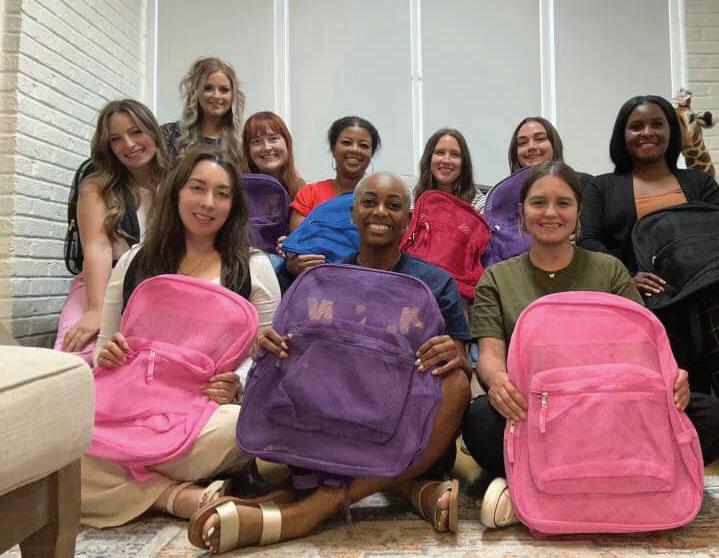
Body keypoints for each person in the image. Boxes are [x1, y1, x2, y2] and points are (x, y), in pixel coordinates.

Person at [188, 172, 472, 553]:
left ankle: (311, 508)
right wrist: (271, 344)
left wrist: (454, 355)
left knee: (456, 383)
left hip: (404, 423)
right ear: (353, 214)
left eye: (393, 205)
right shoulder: (322, 280)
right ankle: (408, 487)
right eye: (369, 202)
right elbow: (299, 351)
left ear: (407, 219)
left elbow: (459, 362)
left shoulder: (437, 283)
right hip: (339, 416)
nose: (380, 212)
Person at [461, 160, 718, 529]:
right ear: (522, 214)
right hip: (541, 413)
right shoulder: (497, 279)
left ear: (578, 213)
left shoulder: (609, 270)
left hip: (611, 409)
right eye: (538, 203)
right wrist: (498, 381)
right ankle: (552, 488)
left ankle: (542, 492)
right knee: (480, 419)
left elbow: (645, 346)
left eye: (563, 203)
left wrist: (673, 377)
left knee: (709, 414)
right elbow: (489, 355)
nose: (551, 213)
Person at [81, 149, 281, 528]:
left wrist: (239, 384)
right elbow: (106, 345)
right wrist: (108, 353)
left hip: (205, 413)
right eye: (197, 188)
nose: (208, 203)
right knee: (61, 443)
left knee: (249, 427)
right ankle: (175, 497)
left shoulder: (253, 266)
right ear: (176, 192)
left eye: (222, 193)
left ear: (234, 205)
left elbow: (267, 355)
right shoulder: (135, 261)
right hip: (131, 408)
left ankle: (120, 476)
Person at [54, 99, 167, 363]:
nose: (128, 144)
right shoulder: (96, 186)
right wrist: (97, 310)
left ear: (153, 132)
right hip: (100, 283)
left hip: (151, 289)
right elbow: (97, 248)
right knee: (72, 360)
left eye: (136, 132)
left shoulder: (176, 184)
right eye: (116, 139)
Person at [580, 94, 719, 283]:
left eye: (657, 124)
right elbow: (587, 241)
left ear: (671, 131)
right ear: (622, 135)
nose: (647, 132)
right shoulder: (600, 188)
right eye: (636, 127)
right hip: (630, 295)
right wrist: (626, 276)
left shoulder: (701, 183)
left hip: (703, 288)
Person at [284, 116, 381, 276]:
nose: (355, 149)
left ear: (371, 153)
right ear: (333, 148)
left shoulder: (381, 198)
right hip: (316, 279)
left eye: (363, 145)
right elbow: (300, 246)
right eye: (347, 142)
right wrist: (293, 263)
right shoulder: (310, 193)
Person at [162, 57, 245, 166]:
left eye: (224, 90)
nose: (216, 95)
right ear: (195, 92)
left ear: (233, 95)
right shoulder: (170, 134)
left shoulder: (242, 142)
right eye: (208, 88)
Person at [414, 128, 486, 212]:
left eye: (455, 155)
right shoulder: (411, 199)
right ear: (429, 159)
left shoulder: (479, 204)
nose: (446, 160)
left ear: (464, 163)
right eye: (440, 153)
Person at [242, 111, 305, 198]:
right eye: (257, 141)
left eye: (273, 139)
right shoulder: (238, 192)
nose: (266, 147)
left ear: (287, 142)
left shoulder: (304, 191)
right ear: (248, 150)